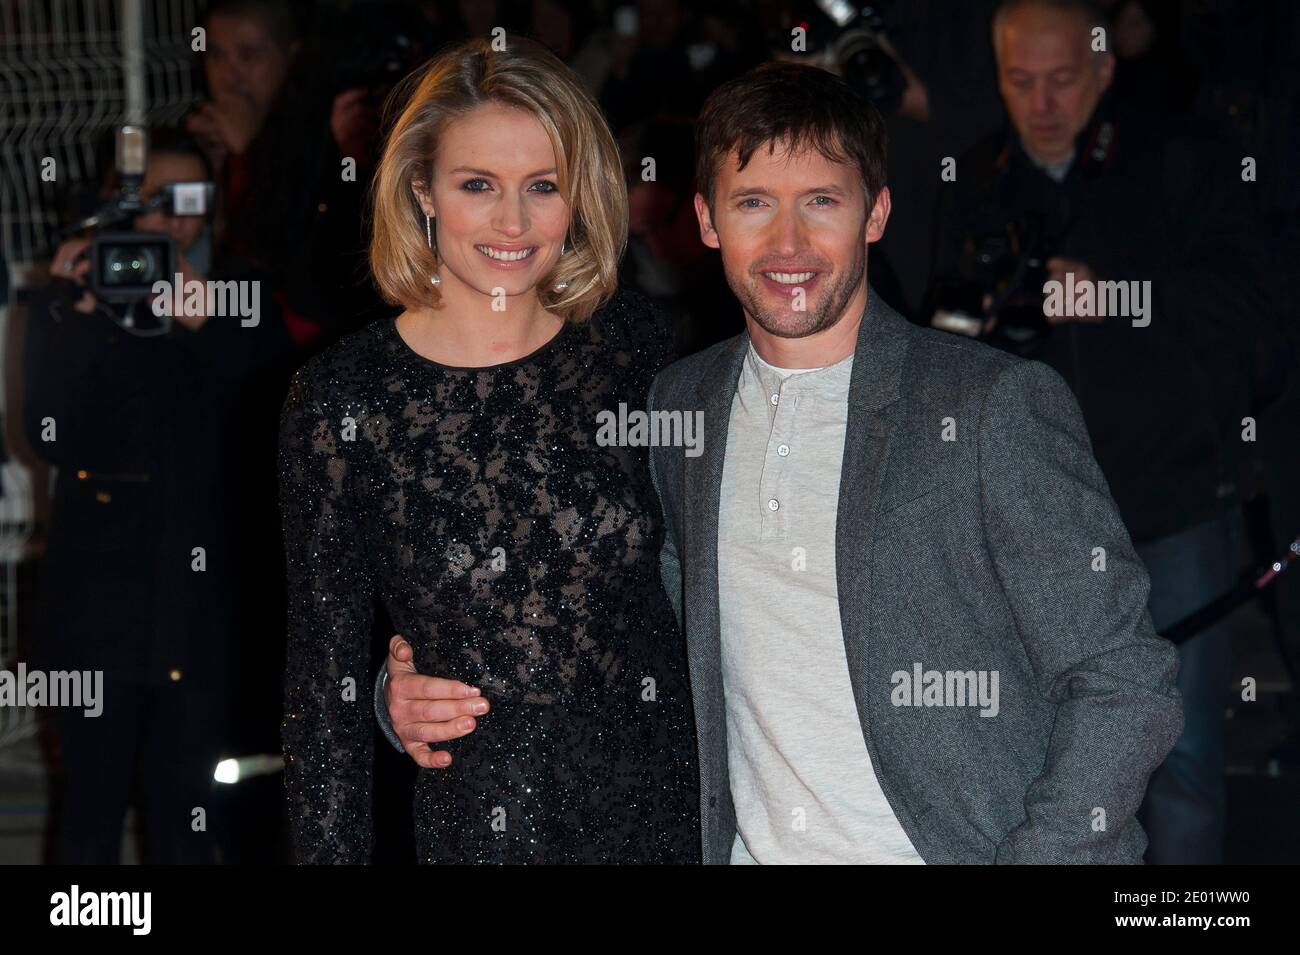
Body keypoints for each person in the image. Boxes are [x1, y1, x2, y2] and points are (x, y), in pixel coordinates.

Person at [382, 59, 1183, 864]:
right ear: (705, 219)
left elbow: (1123, 677)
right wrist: (405, 693)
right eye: (754, 203)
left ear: (876, 214)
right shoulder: (679, 406)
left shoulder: (986, 406)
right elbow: (603, 626)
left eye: (822, 202)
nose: (787, 243)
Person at [278, 37, 700, 864]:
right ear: (422, 191)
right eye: (479, 185)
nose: (512, 222)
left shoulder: (644, 355)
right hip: (478, 828)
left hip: (661, 816)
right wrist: (380, 700)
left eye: (542, 186)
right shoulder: (341, 399)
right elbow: (318, 695)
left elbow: (712, 590)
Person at [927, 0, 1267, 863]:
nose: (1042, 104)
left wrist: (1118, 296)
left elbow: (1255, 310)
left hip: (1172, 500)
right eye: (1021, 81)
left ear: (1106, 68)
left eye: (1065, 80)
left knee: (1181, 755)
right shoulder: (976, 177)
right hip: (1030, 525)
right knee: (1043, 755)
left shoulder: (1185, 161)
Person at [23, 129, 263, 863]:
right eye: (149, 200)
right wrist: (75, 311)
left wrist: (207, 320)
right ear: (114, 204)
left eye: (186, 201)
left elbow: (276, 411)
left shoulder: (233, 293)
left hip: (198, 615)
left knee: (187, 817)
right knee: (89, 815)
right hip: (96, 612)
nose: (167, 220)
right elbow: (48, 433)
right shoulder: (78, 298)